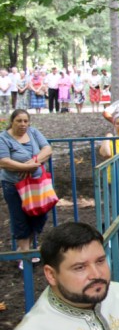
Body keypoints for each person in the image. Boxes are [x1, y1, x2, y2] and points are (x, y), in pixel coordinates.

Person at [0, 110, 52, 261]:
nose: (23, 124)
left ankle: (23, 248)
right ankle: (26, 254)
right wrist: (25, 168)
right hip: (13, 184)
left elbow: (47, 149)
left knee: (40, 214)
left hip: (37, 184)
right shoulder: (3, 138)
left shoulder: (33, 132)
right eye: (19, 121)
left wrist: (31, 164)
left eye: (25, 121)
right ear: (12, 121)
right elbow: (3, 161)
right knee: (19, 217)